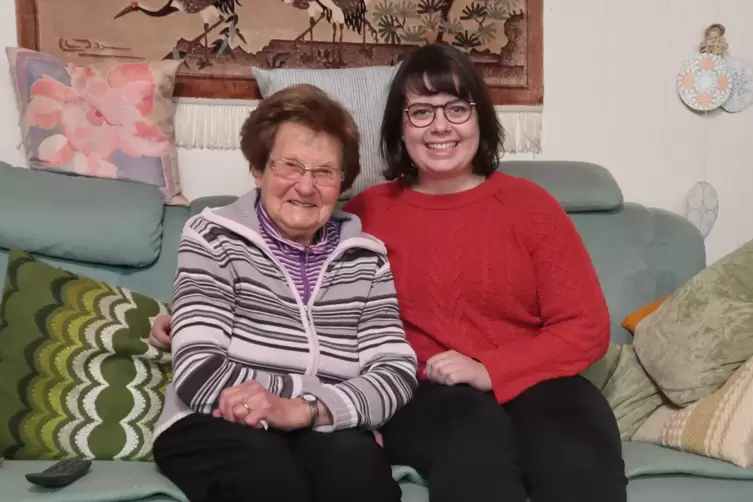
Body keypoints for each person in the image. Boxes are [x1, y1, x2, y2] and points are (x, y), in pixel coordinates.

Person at [151, 44, 628, 501]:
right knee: (471, 432)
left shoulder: (530, 206)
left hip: (528, 378)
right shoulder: (364, 216)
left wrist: (491, 370)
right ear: (400, 128)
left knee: (578, 436)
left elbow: (586, 326)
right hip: (425, 391)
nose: (440, 126)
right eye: (421, 112)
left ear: (480, 117)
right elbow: (278, 277)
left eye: (457, 108)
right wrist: (187, 318)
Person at [150, 83, 417, 502]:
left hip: (322, 424)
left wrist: (304, 410)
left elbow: (396, 372)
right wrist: (300, 403)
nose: (306, 187)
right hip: (215, 421)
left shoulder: (367, 257)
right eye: (290, 166)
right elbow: (198, 371)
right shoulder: (211, 236)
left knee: (360, 479)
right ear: (259, 170)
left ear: (341, 182)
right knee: (271, 481)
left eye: (324, 172)